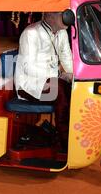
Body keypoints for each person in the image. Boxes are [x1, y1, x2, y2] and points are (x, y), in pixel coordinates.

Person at [14, 12, 73, 152]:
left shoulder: (62, 32)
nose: (66, 15)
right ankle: (66, 142)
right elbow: (28, 68)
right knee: (59, 90)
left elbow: (66, 57)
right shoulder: (31, 33)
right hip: (29, 85)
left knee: (74, 88)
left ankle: (76, 133)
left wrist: (73, 76)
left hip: (51, 80)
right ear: (49, 15)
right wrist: (58, 75)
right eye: (61, 13)